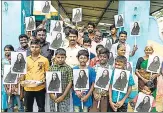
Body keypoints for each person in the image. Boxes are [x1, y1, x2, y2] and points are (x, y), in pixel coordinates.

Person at [21, 39, 49, 112]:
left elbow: (47, 74)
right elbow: (22, 74)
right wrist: (21, 82)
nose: (34, 49)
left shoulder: (45, 60)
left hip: (40, 88)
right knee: (27, 109)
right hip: (28, 88)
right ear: (30, 48)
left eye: (36, 47)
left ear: (40, 48)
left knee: (41, 108)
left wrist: (44, 81)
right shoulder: (25, 59)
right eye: (32, 47)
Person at [135, 46, 160, 112]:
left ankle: (151, 110)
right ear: (144, 51)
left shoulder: (156, 59)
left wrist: (155, 75)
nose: (148, 51)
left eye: (150, 50)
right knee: (142, 96)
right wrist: (143, 79)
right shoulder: (140, 59)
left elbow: (160, 72)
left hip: (152, 82)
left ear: (152, 51)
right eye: (147, 50)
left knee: (151, 95)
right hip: (142, 81)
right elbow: (136, 71)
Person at [89, 48, 111, 112]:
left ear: (108, 58)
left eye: (104, 57)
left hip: (105, 95)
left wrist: (106, 92)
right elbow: (91, 82)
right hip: (95, 95)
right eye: (100, 56)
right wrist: (94, 93)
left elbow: (111, 83)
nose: (102, 58)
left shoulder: (111, 69)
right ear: (98, 57)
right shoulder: (94, 68)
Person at [1, 45, 14, 112]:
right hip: (5, 79)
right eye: (5, 50)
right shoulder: (2, 60)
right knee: (5, 93)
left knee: (12, 93)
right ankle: (5, 108)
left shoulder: (14, 59)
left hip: (13, 79)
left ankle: (12, 107)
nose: (7, 51)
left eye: (9, 50)